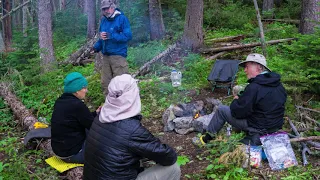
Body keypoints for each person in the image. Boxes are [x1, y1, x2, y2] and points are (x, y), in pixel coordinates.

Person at [83, 74, 181, 180]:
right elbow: (168, 157)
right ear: (132, 96)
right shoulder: (132, 129)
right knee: (173, 167)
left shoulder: (101, 116)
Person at [194, 53, 287, 146]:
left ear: (259, 67)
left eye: (247, 67)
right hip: (274, 127)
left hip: (258, 127)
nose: (245, 70)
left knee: (222, 110)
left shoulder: (254, 87)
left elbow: (238, 113)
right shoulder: (278, 85)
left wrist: (236, 100)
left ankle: (206, 139)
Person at [51, 72, 101, 164]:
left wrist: (96, 113)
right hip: (72, 154)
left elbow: (82, 118)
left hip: (58, 150)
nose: (86, 90)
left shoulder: (60, 101)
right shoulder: (77, 105)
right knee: (102, 139)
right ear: (77, 90)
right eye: (84, 88)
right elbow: (94, 127)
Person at [93, 0, 132, 96]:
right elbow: (103, 38)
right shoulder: (104, 20)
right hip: (106, 56)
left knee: (121, 83)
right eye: (103, 9)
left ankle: (124, 106)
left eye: (107, 8)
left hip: (118, 56)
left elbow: (127, 36)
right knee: (106, 83)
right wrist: (96, 47)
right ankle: (110, 105)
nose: (106, 11)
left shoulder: (122, 19)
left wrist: (112, 35)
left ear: (113, 7)